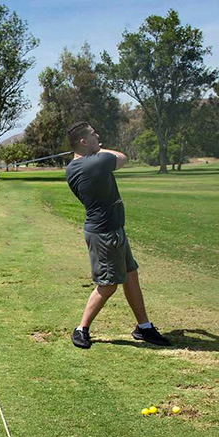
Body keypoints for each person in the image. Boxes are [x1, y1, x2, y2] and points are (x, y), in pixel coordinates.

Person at [65, 121, 170, 349]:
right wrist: (98, 148)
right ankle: (81, 329)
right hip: (104, 234)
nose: (98, 136)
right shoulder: (94, 163)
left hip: (111, 229)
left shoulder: (75, 166)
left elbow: (100, 155)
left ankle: (144, 327)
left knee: (131, 274)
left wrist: (91, 148)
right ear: (83, 142)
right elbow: (122, 157)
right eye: (94, 135)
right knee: (108, 284)